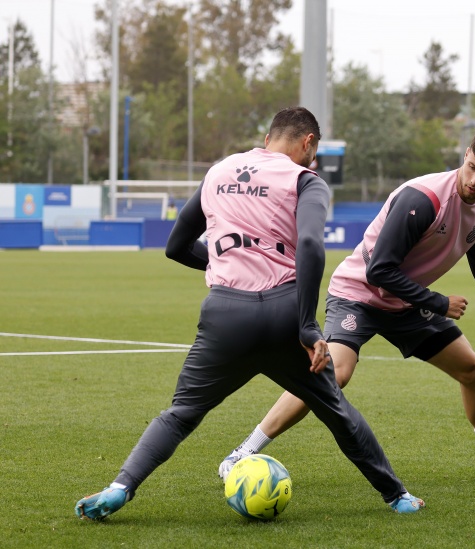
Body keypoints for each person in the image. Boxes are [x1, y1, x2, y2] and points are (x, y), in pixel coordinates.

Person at [74, 107, 424, 520]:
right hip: (283, 314)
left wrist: (226, 264)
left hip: (225, 316)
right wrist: (307, 326)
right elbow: (310, 246)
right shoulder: (306, 180)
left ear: (268, 138)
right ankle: (398, 498)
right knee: (336, 410)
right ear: (309, 143)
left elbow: (175, 246)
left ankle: (120, 488)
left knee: (180, 415)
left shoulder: (219, 171)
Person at [220, 123, 475, 485]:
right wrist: (438, 302)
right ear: (466, 154)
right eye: (472, 168)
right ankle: (243, 452)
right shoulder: (423, 199)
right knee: (334, 374)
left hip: (406, 302)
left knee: (473, 371)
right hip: (358, 294)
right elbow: (378, 271)